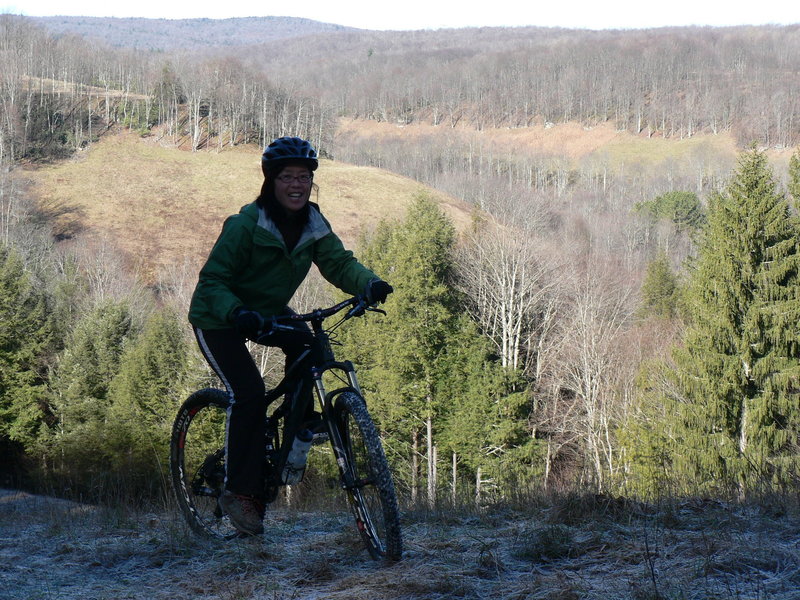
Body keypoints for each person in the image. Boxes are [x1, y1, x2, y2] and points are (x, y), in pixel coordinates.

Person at [188, 136, 392, 536]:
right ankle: (239, 491)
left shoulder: (312, 222)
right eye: (287, 177)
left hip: (266, 311)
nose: (297, 185)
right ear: (271, 181)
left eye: (304, 177)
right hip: (219, 316)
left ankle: (303, 421)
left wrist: (369, 283)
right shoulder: (246, 224)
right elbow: (212, 281)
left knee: (310, 345)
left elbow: (338, 262)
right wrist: (236, 311)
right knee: (248, 394)